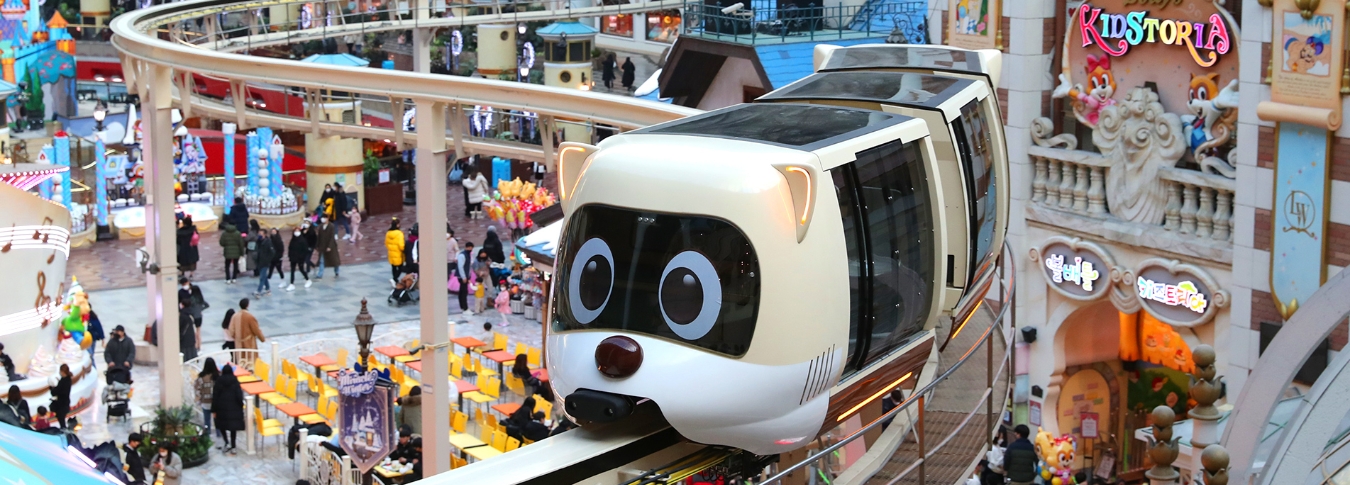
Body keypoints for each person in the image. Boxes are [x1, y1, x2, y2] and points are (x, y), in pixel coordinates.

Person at [212, 363, 246, 454]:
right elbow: (239, 395)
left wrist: (214, 409)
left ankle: (226, 442)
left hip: (221, 408)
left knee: (222, 425)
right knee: (233, 428)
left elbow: (215, 396)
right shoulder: (235, 381)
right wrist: (241, 405)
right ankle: (233, 446)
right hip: (234, 408)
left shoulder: (218, 381)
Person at [228, 299, 265, 367]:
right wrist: (262, 338)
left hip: (238, 343)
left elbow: (231, 330)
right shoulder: (250, 317)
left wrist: (237, 337)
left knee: (241, 361)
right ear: (247, 305)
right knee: (250, 362)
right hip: (249, 343)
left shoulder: (235, 316)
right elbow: (256, 330)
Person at [194, 357, 218, 439]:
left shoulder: (201, 377)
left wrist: (198, 399)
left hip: (205, 402)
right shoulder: (217, 376)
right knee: (217, 419)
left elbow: (197, 390)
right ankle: (219, 434)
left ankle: (207, 435)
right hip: (216, 402)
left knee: (207, 420)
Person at [287, 226, 312, 291]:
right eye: (295, 231)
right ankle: (291, 284)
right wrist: (290, 256)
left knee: (301, 269)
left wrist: (302, 257)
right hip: (293, 258)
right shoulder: (293, 240)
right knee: (292, 270)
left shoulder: (302, 240)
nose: (296, 232)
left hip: (300, 258)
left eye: (298, 231)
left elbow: (305, 250)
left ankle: (307, 279)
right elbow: (290, 248)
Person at [455, 242, 475, 313]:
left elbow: (468, 266)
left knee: (462, 291)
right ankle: (465, 308)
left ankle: (463, 307)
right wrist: (463, 277)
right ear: (466, 247)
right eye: (469, 247)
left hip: (466, 276)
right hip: (462, 277)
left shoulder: (468, 255)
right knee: (463, 292)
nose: (470, 249)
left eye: (471, 247)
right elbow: (460, 267)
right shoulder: (462, 255)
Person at [385, 218, 406, 285]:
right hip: (398, 253)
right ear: (397, 225)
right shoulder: (399, 234)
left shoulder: (388, 233)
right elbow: (401, 245)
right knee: (400, 267)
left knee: (393, 267)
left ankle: (395, 280)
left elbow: (386, 243)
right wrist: (404, 250)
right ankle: (394, 279)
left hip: (391, 253)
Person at [253, 230, 275, 297]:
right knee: (264, 276)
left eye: (261, 234)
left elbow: (272, 252)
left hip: (265, 262)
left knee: (262, 277)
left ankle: (258, 291)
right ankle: (268, 289)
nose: (259, 235)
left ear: (265, 234)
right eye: (259, 233)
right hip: (259, 261)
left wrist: (267, 260)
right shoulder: (258, 241)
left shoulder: (268, 242)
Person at [50, 364, 71, 428]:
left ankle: (63, 430)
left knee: (61, 420)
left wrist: (53, 389)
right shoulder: (67, 379)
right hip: (64, 403)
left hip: (62, 404)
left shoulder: (64, 381)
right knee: (61, 419)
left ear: (62, 372)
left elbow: (60, 391)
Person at [178, 296, 199, 362]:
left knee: (184, 353)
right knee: (191, 352)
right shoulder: (192, 313)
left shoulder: (182, 315)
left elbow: (180, 326)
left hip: (184, 337)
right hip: (191, 336)